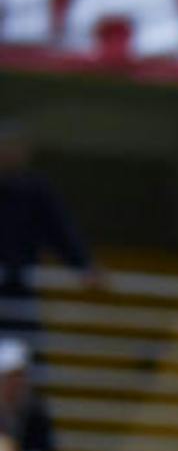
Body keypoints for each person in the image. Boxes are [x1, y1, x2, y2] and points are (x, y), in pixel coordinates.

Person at [0, 126, 98, 338]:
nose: (10, 153)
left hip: (19, 283)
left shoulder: (35, 190)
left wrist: (83, 266)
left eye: (15, 148)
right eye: (5, 147)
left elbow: (60, 232)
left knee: (21, 346)